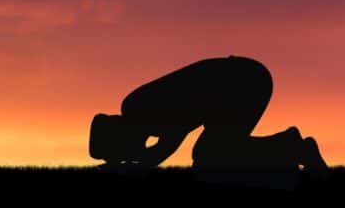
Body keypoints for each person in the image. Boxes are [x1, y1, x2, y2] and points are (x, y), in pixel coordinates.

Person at [89, 56, 328, 186]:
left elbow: (170, 142)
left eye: (121, 154)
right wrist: (138, 165)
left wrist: (136, 168)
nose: (129, 156)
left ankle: (294, 149)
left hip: (240, 81)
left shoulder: (139, 110)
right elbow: (164, 145)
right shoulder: (140, 114)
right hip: (238, 83)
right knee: (213, 156)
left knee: (210, 155)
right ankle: (288, 154)